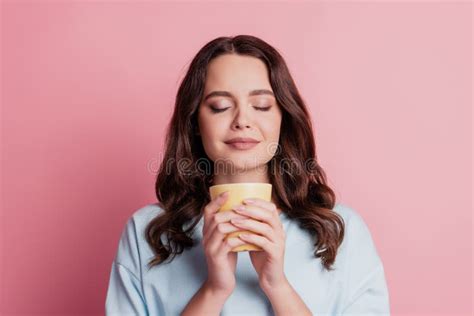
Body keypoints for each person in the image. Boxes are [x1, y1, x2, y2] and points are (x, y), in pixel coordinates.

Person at [105, 35, 390, 315]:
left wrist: (277, 286)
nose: (242, 120)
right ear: (194, 121)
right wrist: (214, 290)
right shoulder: (148, 233)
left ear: (284, 117)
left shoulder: (340, 231)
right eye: (220, 107)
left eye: (262, 106)